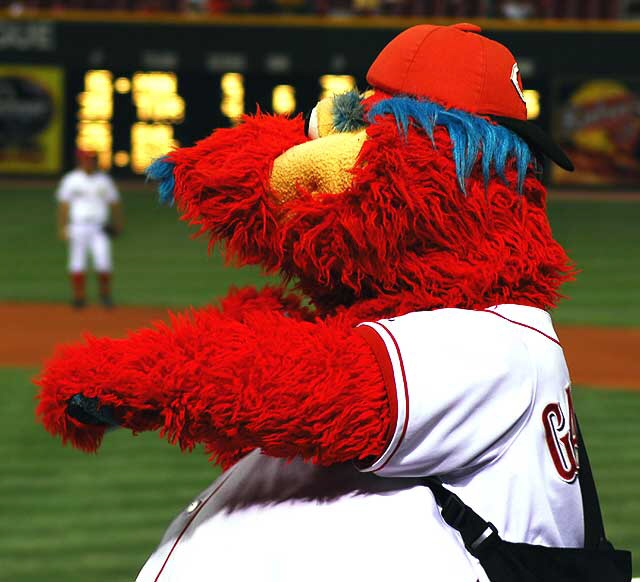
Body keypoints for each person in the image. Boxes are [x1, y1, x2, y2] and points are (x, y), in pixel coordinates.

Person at [56, 149, 123, 308]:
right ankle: (79, 298)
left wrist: (118, 224)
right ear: (80, 161)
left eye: (92, 160)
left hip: (100, 227)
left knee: (104, 261)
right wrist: (62, 227)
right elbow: (64, 205)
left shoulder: (104, 180)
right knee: (77, 262)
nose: (89, 163)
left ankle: (105, 296)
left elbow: (114, 203)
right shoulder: (71, 179)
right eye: (86, 160)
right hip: (77, 226)